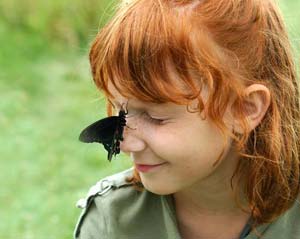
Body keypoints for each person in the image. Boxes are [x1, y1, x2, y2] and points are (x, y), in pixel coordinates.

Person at [74, 0, 300, 238]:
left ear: (244, 109)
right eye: (121, 112)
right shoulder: (113, 220)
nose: (124, 144)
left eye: (155, 117)